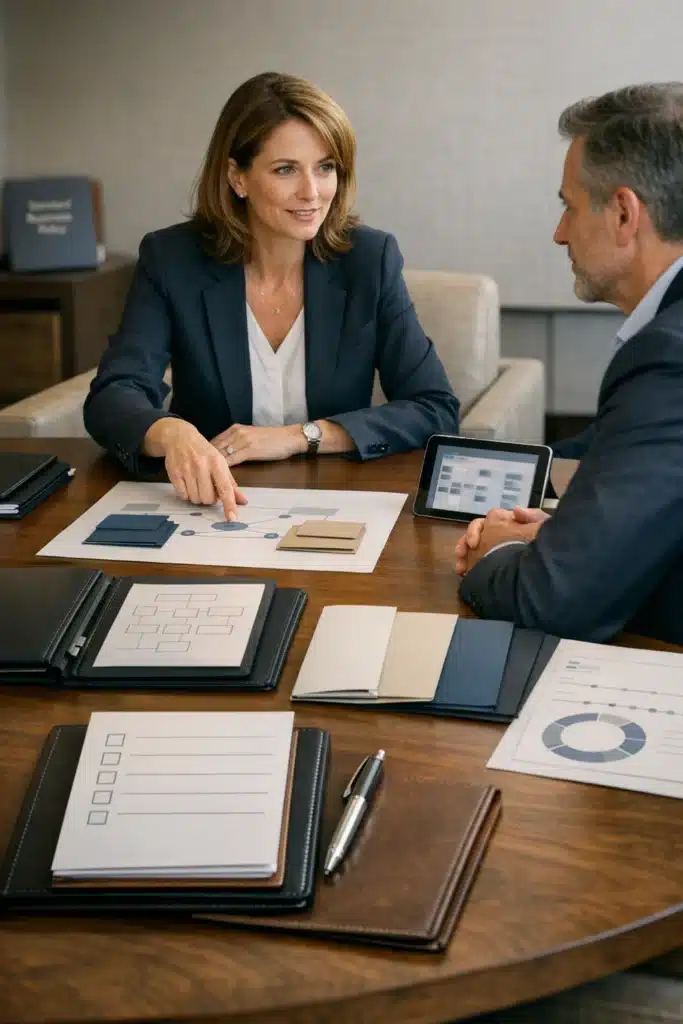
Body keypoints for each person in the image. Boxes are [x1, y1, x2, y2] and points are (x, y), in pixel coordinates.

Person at [84, 71, 459, 520]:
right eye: (285, 169)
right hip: (210, 507)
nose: (312, 192)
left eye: (326, 167)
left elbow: (434, 408)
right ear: (237, 178)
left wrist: (301, 436)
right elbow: (113, 394)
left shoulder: (370, 260)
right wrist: (171, 432)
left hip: (336, 505)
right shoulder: (172, 259)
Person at [456, 82, 683, 647]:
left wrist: (502, 551)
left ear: (626, 214)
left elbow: (553, 600)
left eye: (569, 206)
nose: (560, 232)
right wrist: (580, 541)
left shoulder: (669, 356)